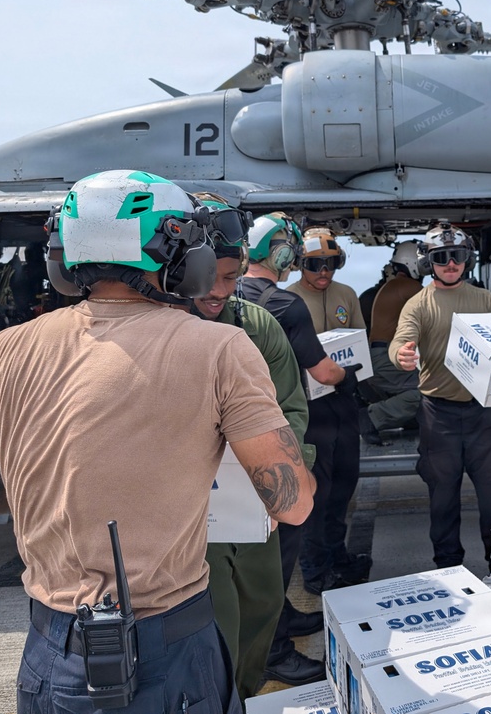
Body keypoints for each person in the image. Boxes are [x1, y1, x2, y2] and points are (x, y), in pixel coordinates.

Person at [0, 170, 315, 713]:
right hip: (168, 651)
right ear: (179, 255)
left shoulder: (2, 351)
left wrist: (58, 493)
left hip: (48, 651)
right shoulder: (220, 349)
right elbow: (294, 503)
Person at [191, 194, 312, 702]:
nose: (221, 292)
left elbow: (294, 410)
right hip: (191, 521)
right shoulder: (156, 332)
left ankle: (246, 685)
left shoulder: (255, 326)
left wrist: (289, 472)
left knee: (261, 603)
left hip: (252, 507)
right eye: (210, 278)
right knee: (212, 619)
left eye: (230, 277)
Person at [238, 213, 352, 686]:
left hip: (237, 440)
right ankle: (274, 651)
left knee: (256, 549)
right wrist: (349, 371)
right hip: (280, 439)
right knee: (278, 551)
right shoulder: (283, 305)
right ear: (282, 254)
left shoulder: (230, 298)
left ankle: (282, 617)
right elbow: (324, 373)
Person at [389, 223, 491, 572]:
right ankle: (449, 568)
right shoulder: (418, 304)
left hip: (483, 414)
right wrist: (401, 355)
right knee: (442, 498)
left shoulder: (483, 299)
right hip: (438, 417)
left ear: (467, 259)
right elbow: (401, 339)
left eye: (457, 256)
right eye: (441, 258)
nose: (450, 264)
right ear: (430, 263)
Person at [286, 227, 372, 594]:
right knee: (316, 491)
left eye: (331, 264)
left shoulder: (346, 295)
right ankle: (314, 569)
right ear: (300, 264)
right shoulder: (287, 300)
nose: (323, 272)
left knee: (343, 485)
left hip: (343, 403)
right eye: (315, 264)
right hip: (309, 410)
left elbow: (359, 344)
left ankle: (337, 557)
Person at [360, 240, 424, 445]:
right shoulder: (408, 286)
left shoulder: (394, 286)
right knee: (430, 390)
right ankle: (370, 418)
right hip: (386, 357)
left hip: (380, 356)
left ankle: (411, 421)